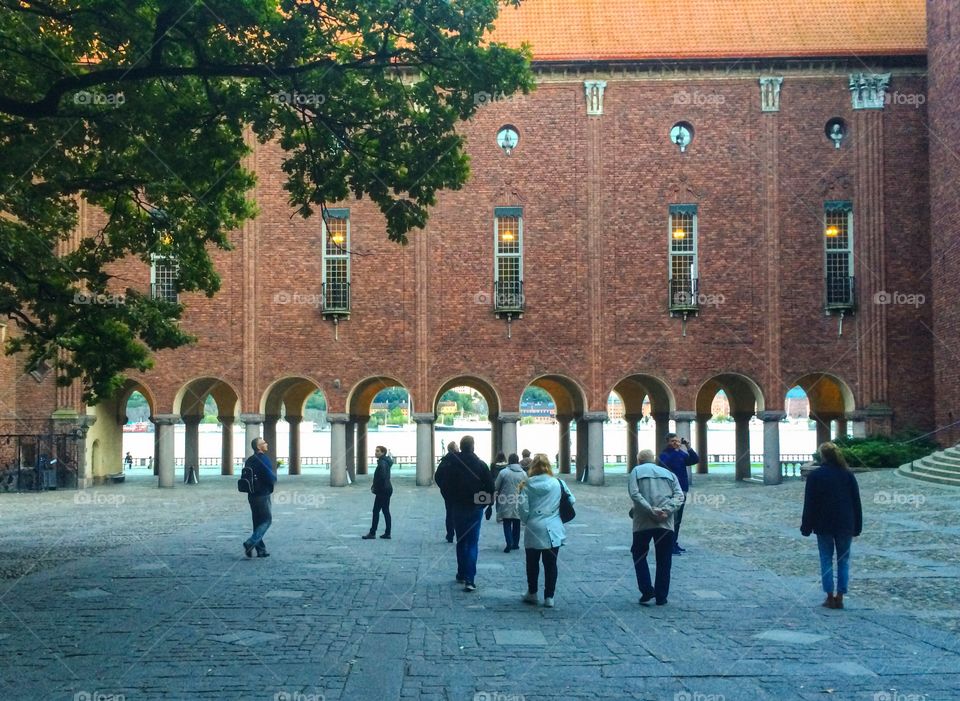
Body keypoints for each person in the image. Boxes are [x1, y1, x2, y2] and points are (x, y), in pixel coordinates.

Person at [801, 441, 863, 609]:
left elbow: (810, 504)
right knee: (843, 561)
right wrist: (857, 526)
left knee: (826, 559)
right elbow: (856, 502)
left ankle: (829, 597)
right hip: (845, 524)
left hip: (823, 524)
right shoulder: (847, 475)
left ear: (823, 456)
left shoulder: (816, 476)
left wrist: (806, 526)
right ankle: (840, 596)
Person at [628, 449, 684, 606]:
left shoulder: (636, 471)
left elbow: (635, 494)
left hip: (642, 522)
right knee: (664, 559)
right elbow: (679, 496)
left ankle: (646, 590)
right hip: (665, 522)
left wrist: (650, 509)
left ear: (638, 460)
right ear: (653, 460)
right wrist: (666, 510)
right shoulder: (669, 474)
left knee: (639, 554)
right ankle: (661, 596)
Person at [518, 453, 574, 608]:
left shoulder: (526, 484)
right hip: (553, 526)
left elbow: (522, 507)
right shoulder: (558, 483)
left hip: (534, 525)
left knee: (532, 562)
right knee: (551, 564)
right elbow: (571, 500)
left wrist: (526, 520)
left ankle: (532, 592)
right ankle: (549, 596)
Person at [446, 435, 494, 592]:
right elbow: (491, 487)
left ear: (461, 446)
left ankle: (461, 573)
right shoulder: (481, 465)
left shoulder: (452, 464)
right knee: (472, 543)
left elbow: (441, 480)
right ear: (473, 447)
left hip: (458, 507)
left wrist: (450, 498)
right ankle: (470, 579)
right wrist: (485, 503)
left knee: (461, 541)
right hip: (475, 508)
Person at [659, 432, 699, 555]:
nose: (676, 443)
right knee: (672, 519)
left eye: (677, 441)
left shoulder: (681, 454)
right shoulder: (664, 455)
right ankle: (669, 545)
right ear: (668, 442)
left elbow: (694, 459)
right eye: (673, 441)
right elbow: (665, 463)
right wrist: (676, 451)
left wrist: (688, 447)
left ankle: (674, 542)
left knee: (678, 519)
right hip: (670, 491)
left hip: (682, 489)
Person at [243, 437, 277, 558]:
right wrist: (274, 480)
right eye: (264, 443)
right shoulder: (264, 459)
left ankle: (261, 550)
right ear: (259, 447)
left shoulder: (250, 460)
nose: (266, 444)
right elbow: (269, 476)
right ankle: (250, 542)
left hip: (251, 495)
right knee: (267, 520)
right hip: (262, 494)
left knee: (257, 522)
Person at [494, 452, 526, 552]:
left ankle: (509, 542)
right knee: (517, 522)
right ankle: (515, 543)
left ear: (509, 461)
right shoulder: (523, 474)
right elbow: (526, 488)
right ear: (518, 461)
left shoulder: (503, 473)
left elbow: (496, 486)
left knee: (507, 522)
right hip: (518, 501)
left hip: (505, 500)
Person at [363, 445, 393, 540]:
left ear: (383, 453)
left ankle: (372, 533)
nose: (376, 452)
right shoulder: (385, 462)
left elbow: (382, 477)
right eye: (375, 451)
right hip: (387, 489)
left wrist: (376, 487)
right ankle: (387, 533)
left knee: (376, 511)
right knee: (385, 511)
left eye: (378, 451)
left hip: (383, 490)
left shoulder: (382, 463)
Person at [434, 441, 459, 543]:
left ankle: (450, 535)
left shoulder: (445, 461)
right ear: (454, 449)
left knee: (449, 513)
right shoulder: (459, 460)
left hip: (447, 492)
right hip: (458, 491)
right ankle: (459, 534)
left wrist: (443, 487)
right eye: (457, 446)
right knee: (458, 513)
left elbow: (437, 476)